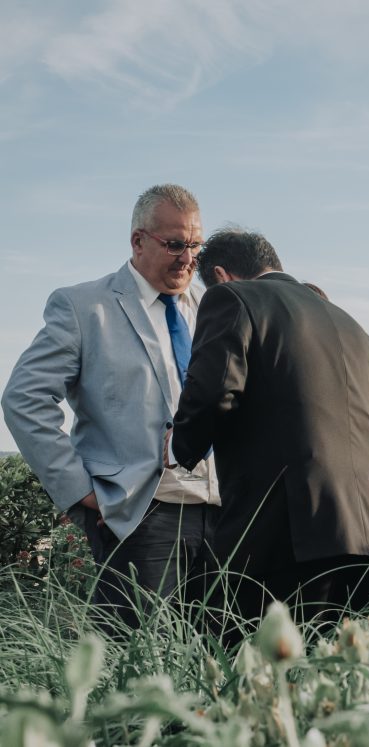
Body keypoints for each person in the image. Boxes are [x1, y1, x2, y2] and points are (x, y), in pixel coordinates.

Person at [2, 184, 218, 627]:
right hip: (140, 515)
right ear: (138, 240)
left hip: (223, 514)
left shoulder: (217, 307)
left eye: (196, 245)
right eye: (175, 244)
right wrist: (81, 492)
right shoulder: (84, 306)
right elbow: (24, 399)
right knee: (137, 672)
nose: (188, 257)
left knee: (222, 665)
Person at [170, 229, 369, 631]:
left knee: (255, 672)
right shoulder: (352, 327)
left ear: (221, 274)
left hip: (286, 535)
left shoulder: (232, 298)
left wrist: (181, 447)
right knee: (344, 680)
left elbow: (213, 393)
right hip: (368, 536)